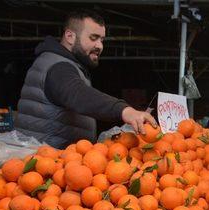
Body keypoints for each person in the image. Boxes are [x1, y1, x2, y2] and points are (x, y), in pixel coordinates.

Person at [15, 10, 156, 149]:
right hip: (45, 163)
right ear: (70, 36)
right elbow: (78, 94)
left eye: (102, 40)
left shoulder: (61, 63)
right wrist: (125, 110)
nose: (100, 46)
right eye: (93, 38)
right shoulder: (59, 67)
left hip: (58, 161)